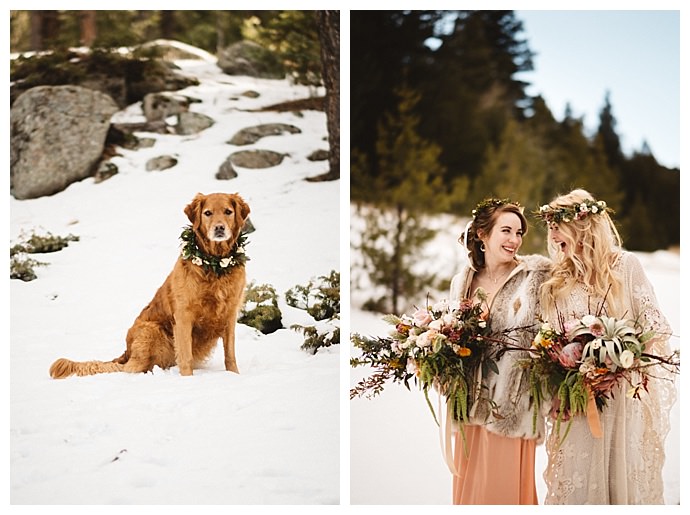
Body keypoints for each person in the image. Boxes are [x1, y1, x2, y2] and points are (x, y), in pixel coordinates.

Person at [537, 188, 676, 504]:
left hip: (620, 400)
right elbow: (550, 340)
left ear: (582, 225)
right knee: (578, 479)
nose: (553, 236)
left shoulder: (625, 266)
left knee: (618, 480)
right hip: (575, 400)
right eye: (551, 229)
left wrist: (623, 362)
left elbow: (654, 327)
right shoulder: (556, 278)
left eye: (558, 227)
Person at [448, 198, 551, 504]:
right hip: (468, 407)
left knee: (502, 494)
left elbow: (549, 335)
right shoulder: (462, 282)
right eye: (506, 231)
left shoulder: (535, 277)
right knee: (470, 494)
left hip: (511, 408)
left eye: (519, 233)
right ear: (482, 234)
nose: (514, 240)